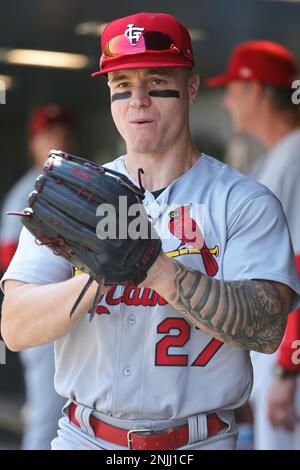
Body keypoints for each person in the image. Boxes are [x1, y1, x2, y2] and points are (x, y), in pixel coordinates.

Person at [0, 13, 300, 451]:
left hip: (198, 443)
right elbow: (15, 327)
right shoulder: (70, 199)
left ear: (192, 88)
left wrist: (156, 270)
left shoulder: (243, 202)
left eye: (157, 80)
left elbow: (267, 326)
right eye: (122, 85)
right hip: (85, 438)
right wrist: (98, 273)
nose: (137, 100)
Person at [206, 40, 300, 449]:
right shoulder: (279, 157)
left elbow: (298, 263)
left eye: (232, 88)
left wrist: (287, 370)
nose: (226, 101)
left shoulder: (295, 157)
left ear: (256, 89)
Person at [0, 104, 77, 449]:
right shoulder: (24, 193)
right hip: (44, 317)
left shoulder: (82, 181)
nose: (57, 139)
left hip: (80, 314)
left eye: (61, 131)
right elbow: (10, 264)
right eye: (48, 133)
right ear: (34, 142)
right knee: (47, 417)